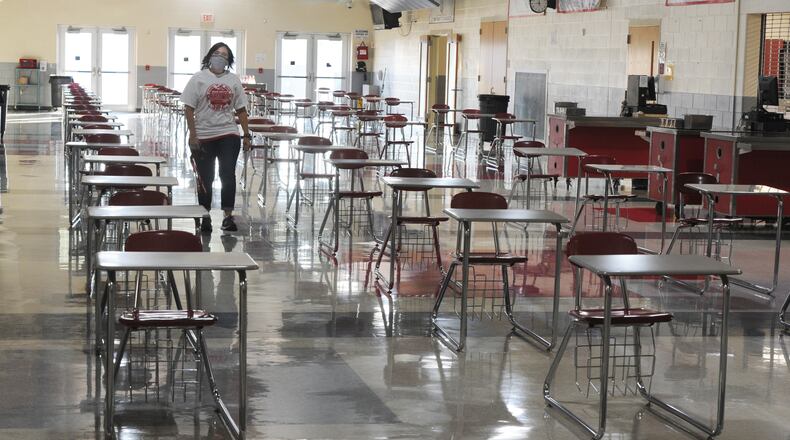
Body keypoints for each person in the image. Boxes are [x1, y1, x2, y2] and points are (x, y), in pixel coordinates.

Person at [182, 42, 251, 232]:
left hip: (228, 133)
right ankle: (205, 216)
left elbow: (242, 110)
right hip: (204, 135)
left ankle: (228, 217)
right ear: (210, 55)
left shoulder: (233, 80)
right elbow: (188, 108)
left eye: (225, 55)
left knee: (227, 175)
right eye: (217, 53)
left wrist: (246, 135)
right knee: (205, 178)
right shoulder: (198, 78)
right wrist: (193, 135)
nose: (220, 57)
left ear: (228, 61)